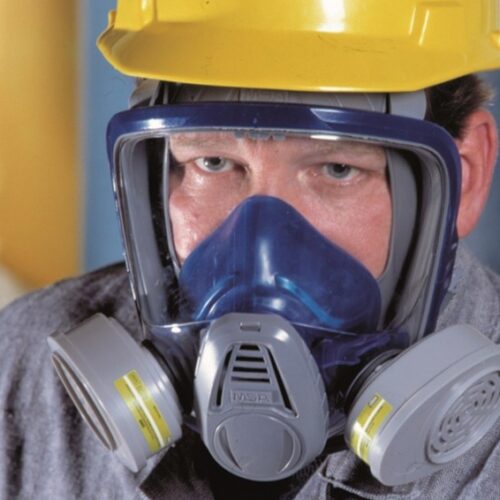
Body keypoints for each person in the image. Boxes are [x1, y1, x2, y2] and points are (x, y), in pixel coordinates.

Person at [2, 1, 500, 498]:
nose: (262, 251)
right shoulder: (19, 373)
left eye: (337, 169)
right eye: (213, 162)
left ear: (465, 178)